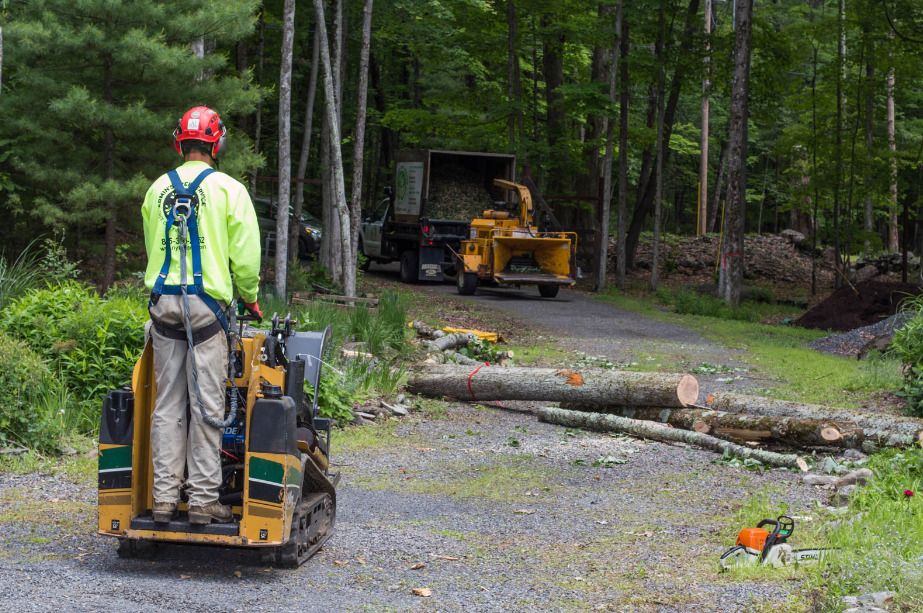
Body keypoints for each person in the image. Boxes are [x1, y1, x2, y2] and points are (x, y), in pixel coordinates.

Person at [141, 105, 262, 525]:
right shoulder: (230, 190)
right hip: (206, 310)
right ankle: (204, 501)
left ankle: (162, 499)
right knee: (209, 406)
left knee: (168, 406)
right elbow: (246, 258)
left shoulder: (157, 189)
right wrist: (250, 297)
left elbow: (153, 246)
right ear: (217, 143)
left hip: (163, 306)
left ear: (180, 141)